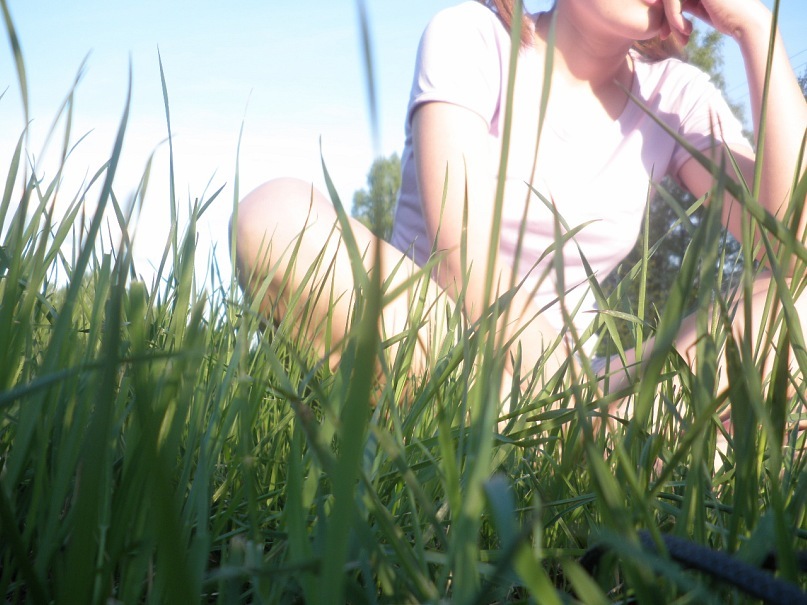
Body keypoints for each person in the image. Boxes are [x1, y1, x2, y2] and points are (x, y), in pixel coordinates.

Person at [233, 0, 807, 418]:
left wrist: (756, 30)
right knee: (272, 216)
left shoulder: (676, 97)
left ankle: (592, 430)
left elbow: (791, 244)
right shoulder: (473, 36)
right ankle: (611, 437)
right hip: (430, 337)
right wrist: (571, 395)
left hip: (587, 382)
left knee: (794, 303)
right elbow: (463, 261)